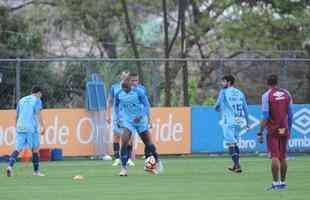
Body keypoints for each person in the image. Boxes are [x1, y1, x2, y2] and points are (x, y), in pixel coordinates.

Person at [114, 73, 162, 176]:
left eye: (127, 90)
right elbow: (116, 105)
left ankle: (157, 160)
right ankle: (124, 168)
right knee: (125, 140)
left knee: (148, 144)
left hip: (140, 120)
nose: (125, 92)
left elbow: (147, 105)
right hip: (128, 120)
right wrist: (118, 117)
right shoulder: (119, 93)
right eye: (124, 90)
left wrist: (141, 116)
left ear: (130, 87)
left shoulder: (138, 92)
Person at [257, 74, 293, 191]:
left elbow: (265, 116)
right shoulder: (287, 93)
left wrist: (260, 132)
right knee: (283, 156)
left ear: (267, 83)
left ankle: (275, 183)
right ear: (277, 82)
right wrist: (289, 129)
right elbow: (291, 114)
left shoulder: (266, 96)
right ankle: (283, 182)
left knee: (274, 156)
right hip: (284, 128)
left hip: (273, 130)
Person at [6, 86, 45, 177]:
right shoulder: (37, 100)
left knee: (17, 149)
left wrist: (16, 126)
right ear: (38, 93)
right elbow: (39, 114)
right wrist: (43, 126)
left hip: (20, 127)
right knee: (35, 149)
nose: (41, 96)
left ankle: (10, 167)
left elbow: (17, 115)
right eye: (41, 94)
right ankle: (36, 172)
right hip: (31, 128)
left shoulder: (21, 100)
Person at [214, 75, 249, 173]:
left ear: (228, 82)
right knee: (235, 143)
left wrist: (216, 108)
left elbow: (217, 105)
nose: (222, 84)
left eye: (223, 81)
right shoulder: (239, 92)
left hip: (228, 120)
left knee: (231, 143)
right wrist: (248, 123)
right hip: (239, 121)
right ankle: (235, 165)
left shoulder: (224, 92)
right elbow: (245, 108)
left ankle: (237, 166)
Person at [107, 71, 135, 167]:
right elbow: (110, 101)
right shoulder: (114, 87)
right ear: (121, 77)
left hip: (129, 115)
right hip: (117, 115)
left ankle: (129, 159)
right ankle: (117, 158)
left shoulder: (132, 87)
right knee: (116, 136)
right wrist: (108, 115)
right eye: (123, 75)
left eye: (126, 76)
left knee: (130, 137)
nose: (124, 77)